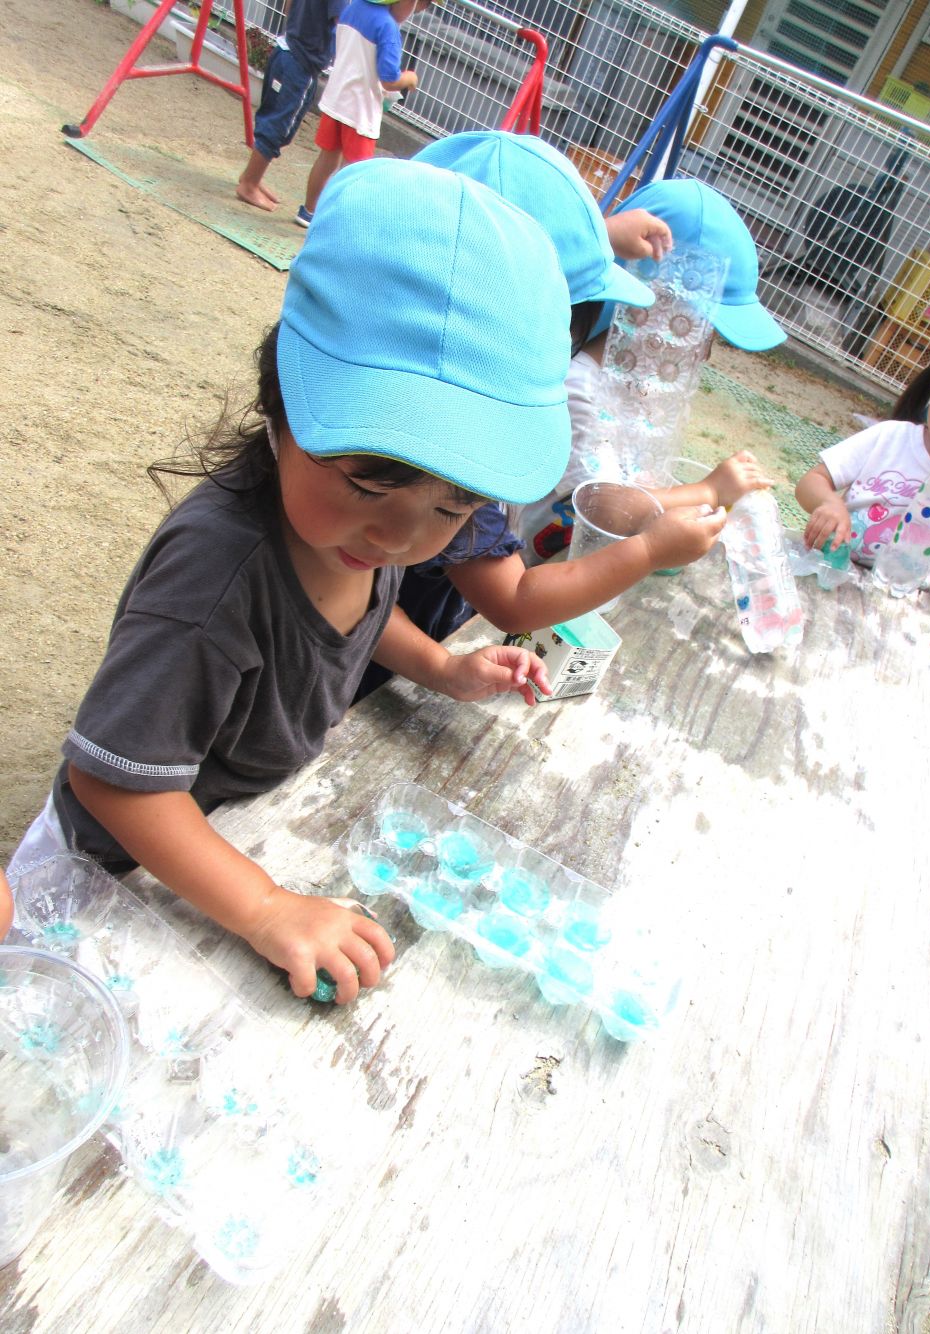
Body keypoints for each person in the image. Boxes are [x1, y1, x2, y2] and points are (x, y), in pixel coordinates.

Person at [7, 159, 574, 1001]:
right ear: (281, 399)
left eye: (453, 509)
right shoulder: (216, 578)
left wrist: (444, 667)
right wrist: (266, 907)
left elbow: (355, 616)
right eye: (368, 483)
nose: (399, 538)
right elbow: (112, 782)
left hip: (238, 826)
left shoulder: (349, 542)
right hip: (117, 875)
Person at [354, 133, 758, 699]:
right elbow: (513, 597)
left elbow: (355, 602)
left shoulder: (409, 404)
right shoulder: (449, 458)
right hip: (365, 682)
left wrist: (601, 239)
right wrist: (648, 550)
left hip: (413, 648)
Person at [515, 173, 784, 568]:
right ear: (653, 312)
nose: (705, 355)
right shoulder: (578, 389)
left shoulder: (636, 393)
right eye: (700, 333)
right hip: (530, 580)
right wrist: (709, 490)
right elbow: (606, 508)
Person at [795, 318, 930, 616]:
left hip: (892, 613)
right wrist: (829, 504)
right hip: (824, 577)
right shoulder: (890, 438)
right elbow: (812, 480)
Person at [295, 0, 427, 226]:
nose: (415, 12)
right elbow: (389, 79)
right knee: (355, 172)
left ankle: (308, 210)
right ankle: (336, 224)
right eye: (418, 5)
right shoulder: (388, 27)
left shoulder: (353, 8)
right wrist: (410, 78)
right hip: (361, 110)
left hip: (336, 97)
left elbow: (338, 45)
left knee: (327, 158)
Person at [236, 0, 342, 212]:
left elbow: (288, 6)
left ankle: (251, 177)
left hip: (286, 49)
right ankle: (249, 183)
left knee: (274, 118)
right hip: (301, 62)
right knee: (279, 126)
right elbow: (345, 27)